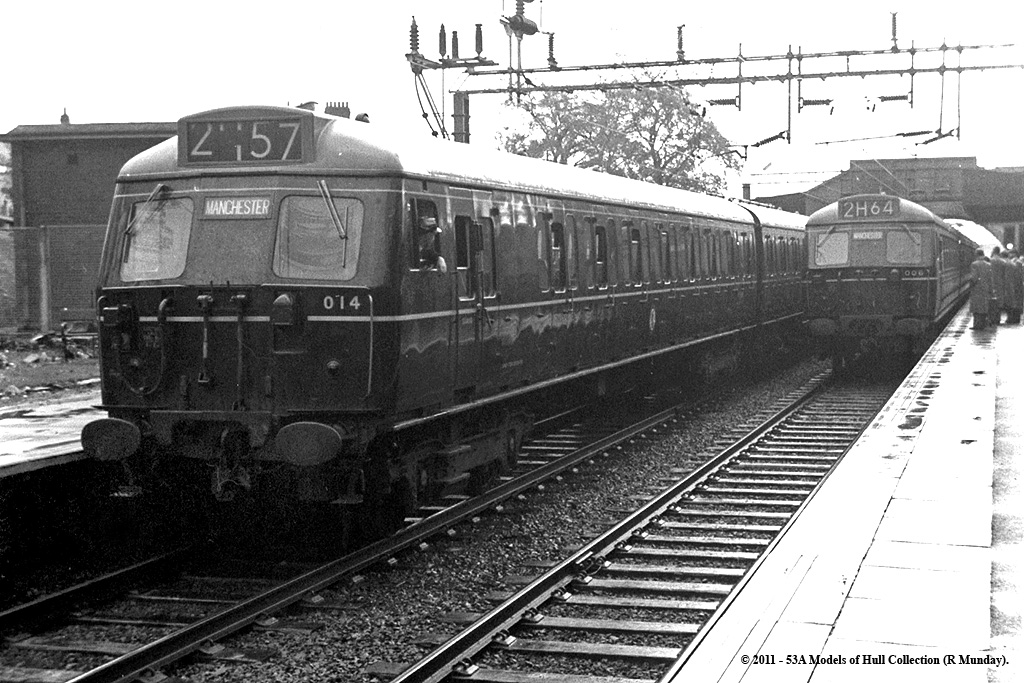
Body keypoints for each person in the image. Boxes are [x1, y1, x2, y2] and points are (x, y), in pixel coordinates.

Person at [969, 248, 994, 330]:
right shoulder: (988, 265)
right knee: (984, 307)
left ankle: (977, 325)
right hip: (985, 288)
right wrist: (991, 289)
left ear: (976, 255)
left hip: (977, 289)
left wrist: (971, 285)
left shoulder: (974, 264)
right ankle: (983, 324)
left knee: (976, 308)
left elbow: (974, 277)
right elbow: (990, 279)